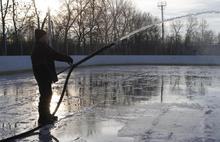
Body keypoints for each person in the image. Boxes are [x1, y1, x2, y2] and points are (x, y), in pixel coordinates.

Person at [31, 29, 73, 125]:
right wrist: (67, 58)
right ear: (41, 37)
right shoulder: (41, 47)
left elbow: (52, 55)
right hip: (43, 76)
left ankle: (47, 115)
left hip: (43, 75)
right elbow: (54, 55)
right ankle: (43, 118)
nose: (47, 38)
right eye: (45, 36)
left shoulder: (41, 47)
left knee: (47, 95)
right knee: (45, 96)